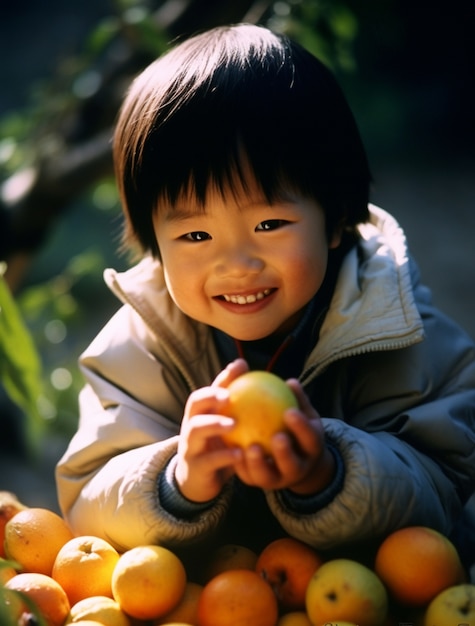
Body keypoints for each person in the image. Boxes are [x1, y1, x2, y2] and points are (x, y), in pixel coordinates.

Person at [55, 23, 475, 570]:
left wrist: (329, 473)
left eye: (270, 222)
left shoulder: (399, 330)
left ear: (333, 217)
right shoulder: (140, 346)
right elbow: (86, 498)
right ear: (154, 245)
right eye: (195, 236)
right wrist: (176, 481)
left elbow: (445, 488)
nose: (236, 264)